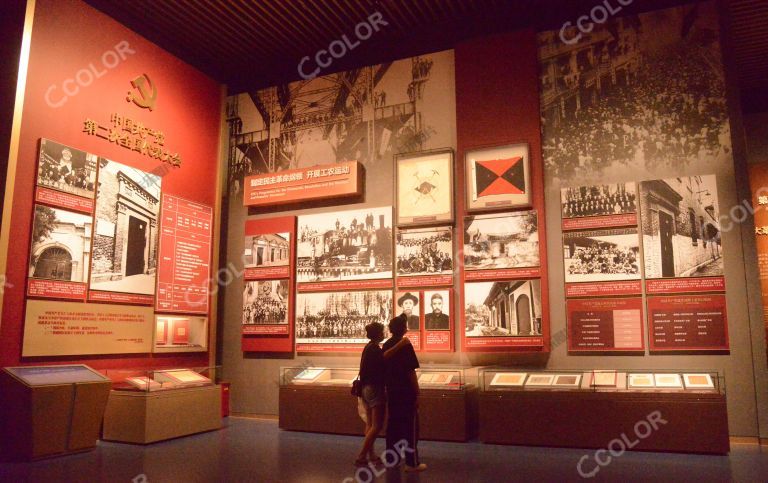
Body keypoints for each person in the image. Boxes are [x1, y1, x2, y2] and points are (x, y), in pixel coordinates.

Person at [355, 322, 411, 466]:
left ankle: (371, 455)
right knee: (377, 426)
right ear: (378, 334)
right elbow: (384, 357)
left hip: (366, 389)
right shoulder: (374, 349)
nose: (384, 333)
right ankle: (361, 456)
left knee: (369, 423)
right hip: (375, 389)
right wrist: (401, 344)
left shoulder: (368, 347)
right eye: (382, 332)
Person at [383, 314, 426, 472]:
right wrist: (417, 392)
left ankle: (391, 459)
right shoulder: (406, 345)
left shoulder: (387, 344)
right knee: (410, 427)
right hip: (406, 392)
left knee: (393, 425)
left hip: (393, 391)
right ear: (403, 328)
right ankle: (411, 462)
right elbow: (410, 371)